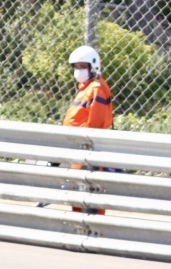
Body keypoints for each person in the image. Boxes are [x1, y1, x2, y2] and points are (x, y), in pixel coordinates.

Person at [63, 45, 113, 213]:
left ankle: (91, 232)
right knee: (78, 197)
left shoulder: (96, 88)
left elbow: (96, 123)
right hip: (79, 150)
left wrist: (83, 143)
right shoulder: (88, 88)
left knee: (89, 195)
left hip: (87, 150)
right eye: (76, 67)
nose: (78, 70)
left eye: (82, 66)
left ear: (93, 66)